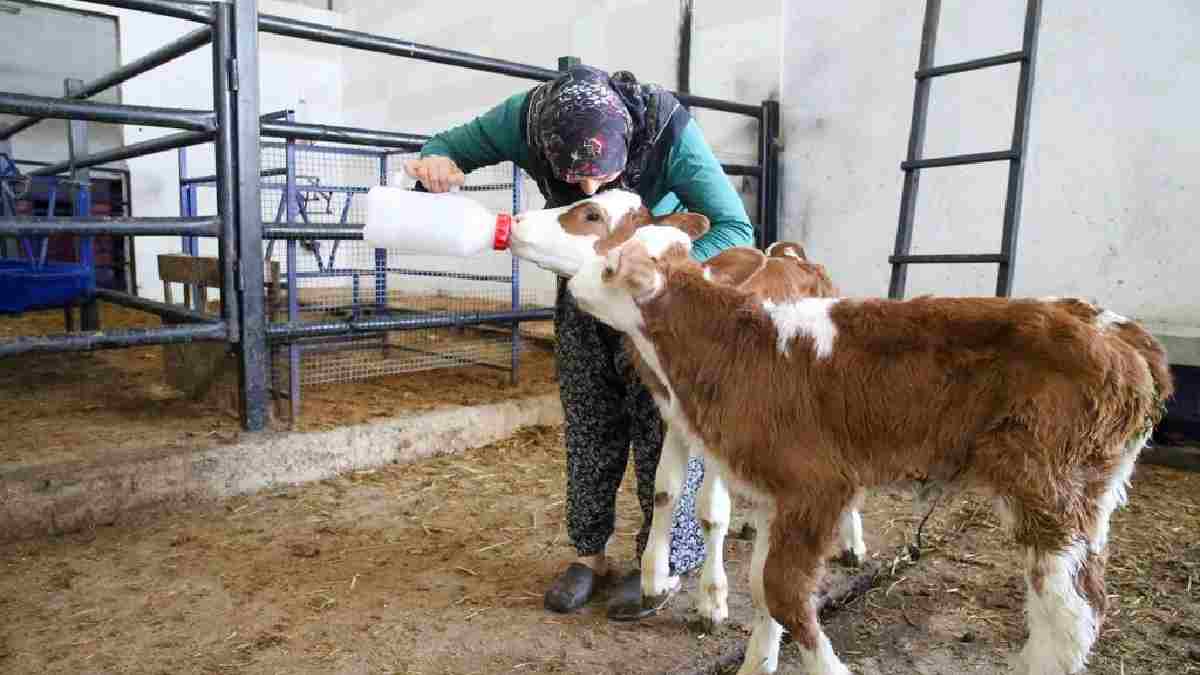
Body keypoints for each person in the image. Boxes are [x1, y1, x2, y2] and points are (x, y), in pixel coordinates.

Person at [406, 64, 755, 621]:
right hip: (584, 281)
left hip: (650, 293)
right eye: (574, 176)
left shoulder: (666, 128)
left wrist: (655, 265)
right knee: (589, 416)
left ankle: (662, 558)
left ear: (628, 144)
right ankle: (587, 555)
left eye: (603, 172)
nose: (588, 186)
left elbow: (735, 229)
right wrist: (437, 162)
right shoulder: (522, 119)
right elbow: (446, 148)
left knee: (660, 425)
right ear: (542, 147)